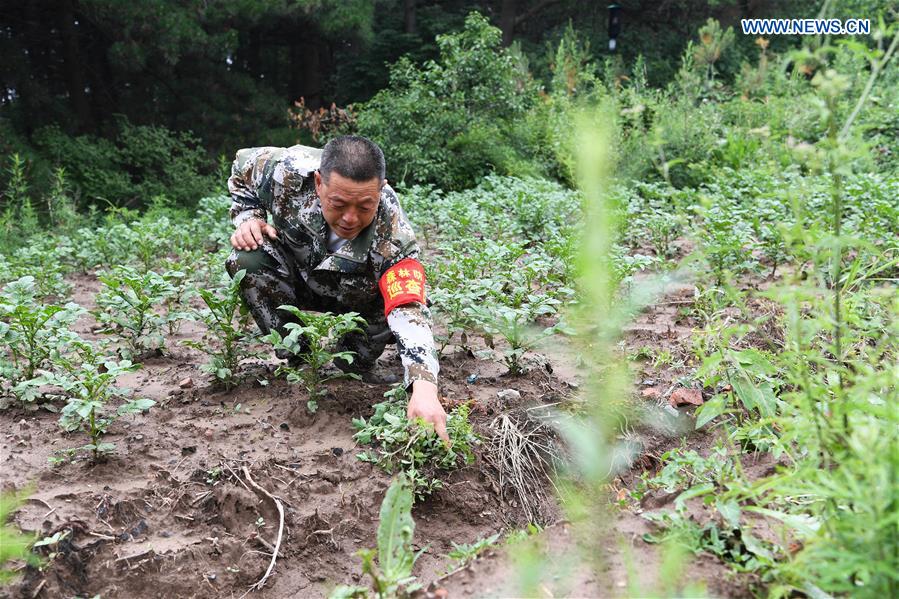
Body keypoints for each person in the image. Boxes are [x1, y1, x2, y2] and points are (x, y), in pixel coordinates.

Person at [224, 135, 448, 442]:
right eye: (339, 204)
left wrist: (424, 388)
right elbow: (241, 168)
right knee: (246, 258)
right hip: (299, 277)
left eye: (364, 206)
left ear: (380, 191)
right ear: (318, 183)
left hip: (358, 299)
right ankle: (299, 357)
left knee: (350, 369)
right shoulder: (283, 171)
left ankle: (353, 359)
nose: (350, 218)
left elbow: (408, 306)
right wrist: (248, 218)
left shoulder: (394, 232)